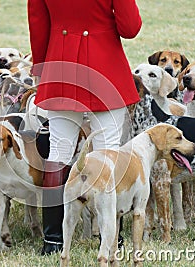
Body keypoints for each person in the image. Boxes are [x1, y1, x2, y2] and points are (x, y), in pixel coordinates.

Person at [28, 0, 142, 255]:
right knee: (109, 153)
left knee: (58, 153)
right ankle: (110, 237)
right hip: (105, 64)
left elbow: (38, 26)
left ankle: (53, 241)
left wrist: (41, 68)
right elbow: (130, 27)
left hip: (61, 63)